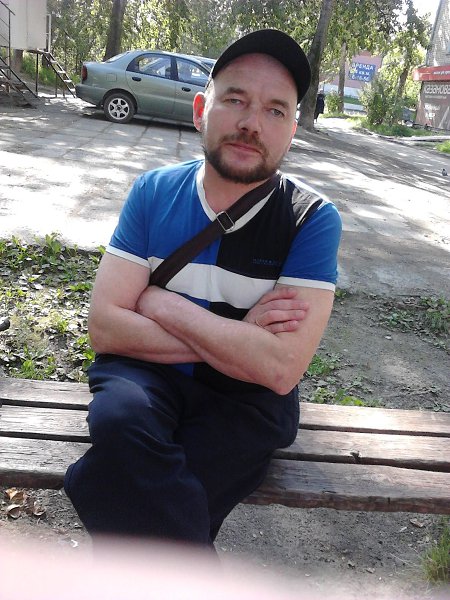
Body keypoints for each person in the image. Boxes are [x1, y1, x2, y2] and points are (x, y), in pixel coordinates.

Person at [64, 29, 342, 546]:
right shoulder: (153, 192)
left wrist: (160, 303)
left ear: (291, 131)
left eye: (275, 110)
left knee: (131, 477)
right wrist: (240, 338)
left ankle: (96, 488)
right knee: (123, 423)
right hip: (144, 379)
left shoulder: (311, 219)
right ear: (200, 110)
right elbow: (105, 327)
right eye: (235, 100)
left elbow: (280, 368)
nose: (251, 123)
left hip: (246, 402)